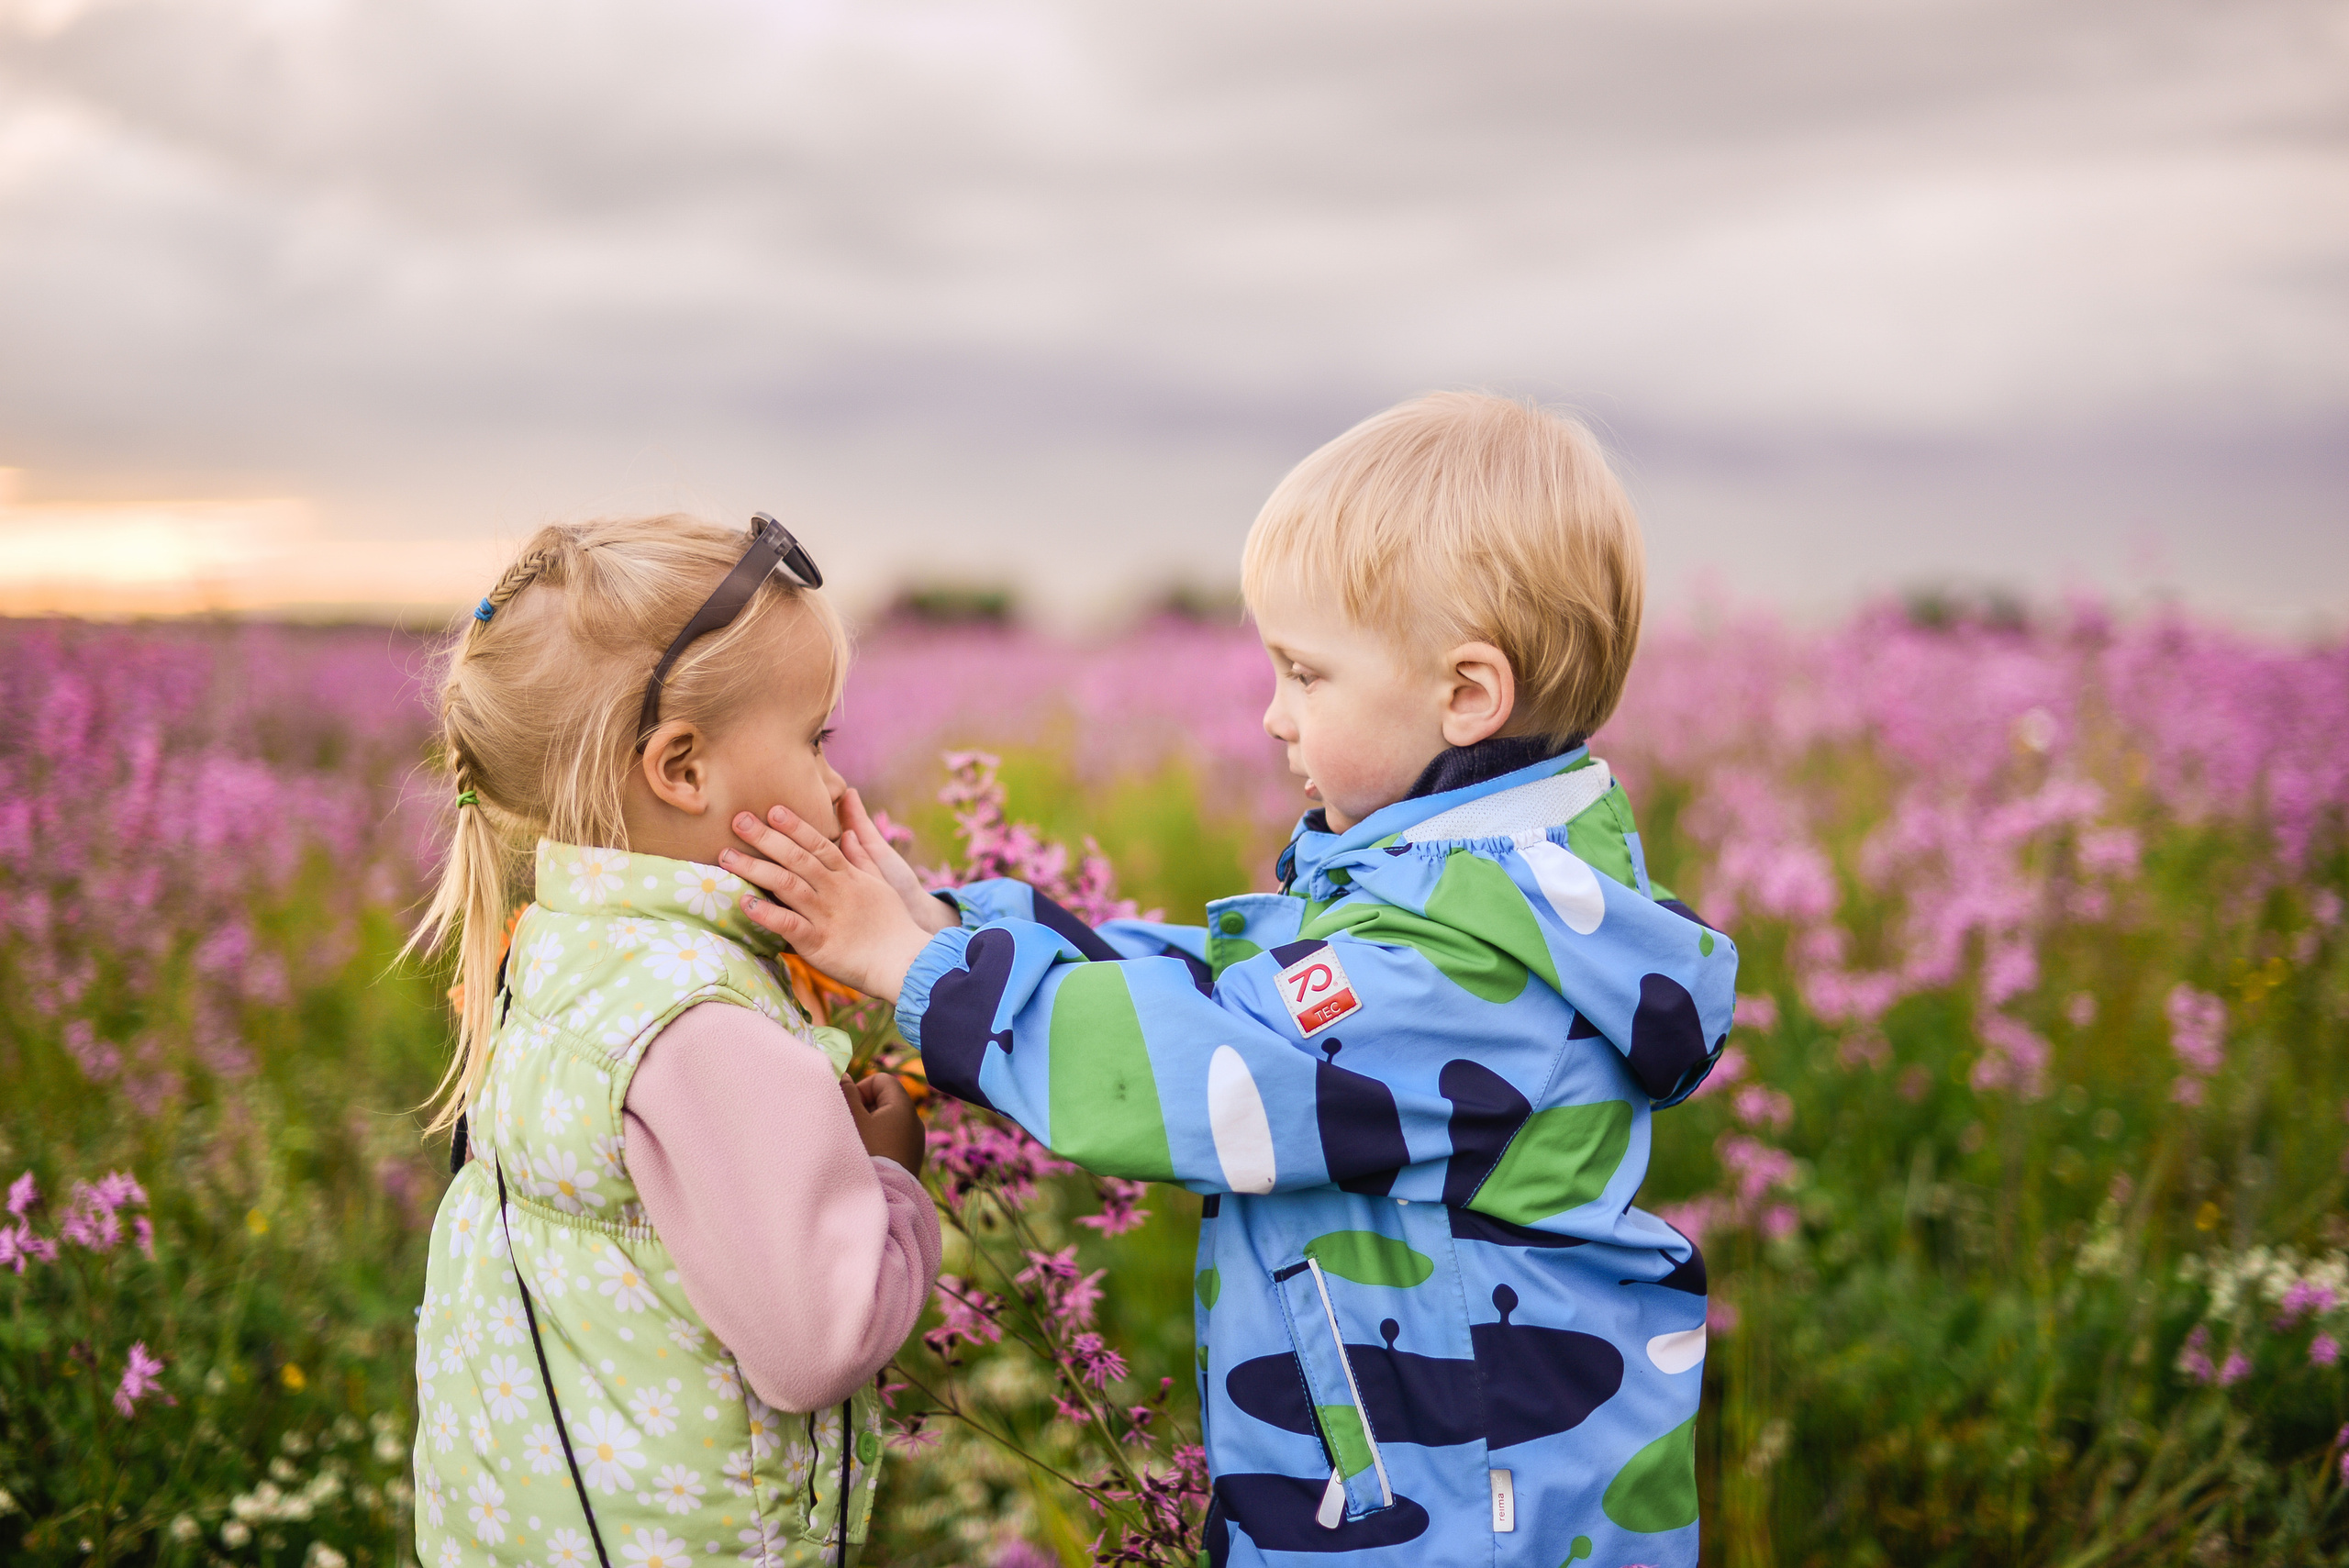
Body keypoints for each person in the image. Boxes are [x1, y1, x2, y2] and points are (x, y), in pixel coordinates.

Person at [725, 392, 1739, 1568]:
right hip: (1419, 1487)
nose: (1271, 716)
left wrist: (918, 973)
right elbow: (1245, 989)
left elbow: (1220, 1065)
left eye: (1305, 674)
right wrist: (952, 930)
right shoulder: (1470, 893)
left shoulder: (1465, 960)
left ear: (1466, 694)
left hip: (1458, 1522)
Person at [406, 513, 940, 1568]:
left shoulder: (554, 945)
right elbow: (816, 1344)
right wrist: (888, 1181)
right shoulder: (706, 1024)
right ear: (683, 769)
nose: (841, 787)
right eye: (817, 740)